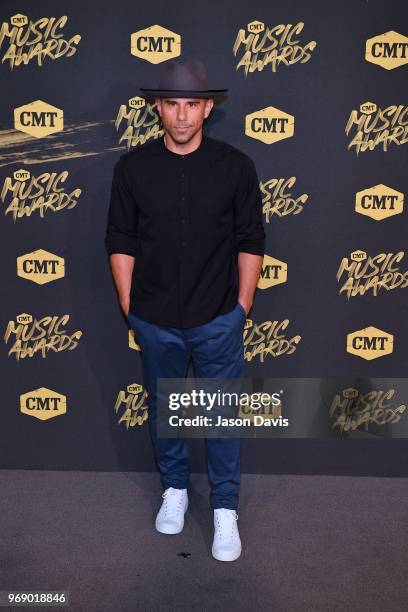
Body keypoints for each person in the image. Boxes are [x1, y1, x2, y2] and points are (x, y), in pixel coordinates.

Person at [104, 59, 266, 562]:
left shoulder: (235, 167)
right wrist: (130, 306)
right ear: (157, 106)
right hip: (154, 320)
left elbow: (251, 239)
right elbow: (120, 239)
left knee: (221, 416)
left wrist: (241, 307)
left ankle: (224, 509)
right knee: (164, 411)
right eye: (171, 104)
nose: (180, 115)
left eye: (191, 105)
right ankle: (174, 488)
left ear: (207, 107)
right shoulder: (132, 168)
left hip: (218, 317)